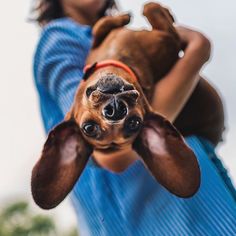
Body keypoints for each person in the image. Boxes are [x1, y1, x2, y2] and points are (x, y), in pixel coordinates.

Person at [32, 0, 236, 235]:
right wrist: (197, 53)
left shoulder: (109, 34)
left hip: (195, 193)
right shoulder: (60, 37)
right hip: (154, 215)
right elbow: (110, 152)